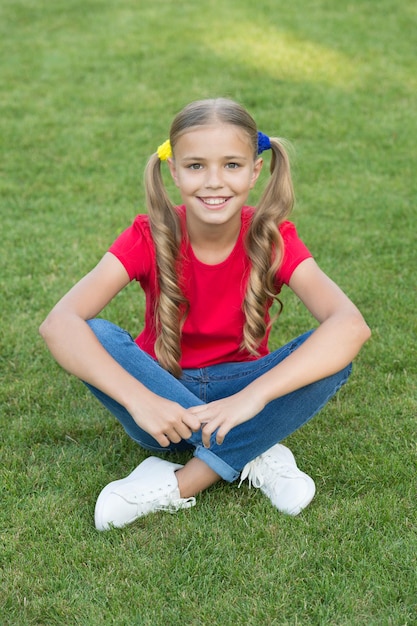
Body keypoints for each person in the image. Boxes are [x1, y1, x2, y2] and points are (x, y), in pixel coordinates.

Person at [39, 98, 371, 531]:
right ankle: (254, 447)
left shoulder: (272, 238)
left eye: (231, 165)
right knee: (96, 334)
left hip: (242, 393)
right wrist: (143, 401)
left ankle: (181, 482)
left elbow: (350, 324)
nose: (214, 182)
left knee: (332, 353)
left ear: (255, 170)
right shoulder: (149, 235)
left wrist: (253, 398)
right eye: (196, 166)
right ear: (173, 170)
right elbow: (59, 323)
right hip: (163, 397)